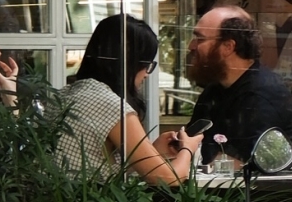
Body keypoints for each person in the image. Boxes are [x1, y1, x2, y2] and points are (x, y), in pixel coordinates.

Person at [56, 14, 199, 184]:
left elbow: (98, 165)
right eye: (147, 64)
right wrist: (187, 149)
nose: (146, 74)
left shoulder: (65, 94)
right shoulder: (111, 105)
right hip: (88, 200)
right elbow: (169, 179)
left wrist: (153, 152)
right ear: (131, 63)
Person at [184, 5, 292, 165]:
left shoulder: (262, 95)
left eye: (200, 39)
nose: (191, 46)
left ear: (228, 47)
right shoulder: (215, 90)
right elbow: (192, 141)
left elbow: (242, 165)